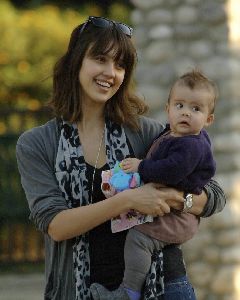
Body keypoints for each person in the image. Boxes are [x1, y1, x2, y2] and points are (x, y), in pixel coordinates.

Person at [15, 16, 226, 300]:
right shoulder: (38, 144)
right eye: (100, 59)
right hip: (79, 290)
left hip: (162, 287)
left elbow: (213, 194)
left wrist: (180, 199)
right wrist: (127, 200)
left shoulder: (147, 132)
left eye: (120, 64)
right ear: (76, 61)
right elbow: (56, 225)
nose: (110, 72)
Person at [90, 70, 217, 300]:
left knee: (139, 239)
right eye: (179, 105)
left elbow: (170, 171)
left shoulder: (191, 145)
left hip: (176, 218)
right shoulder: (172, 135)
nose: (186, 112)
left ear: (208, 119)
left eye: (196, 109)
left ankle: (128, 292)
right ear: (168, 109)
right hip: (170, 215)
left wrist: (141, 167)